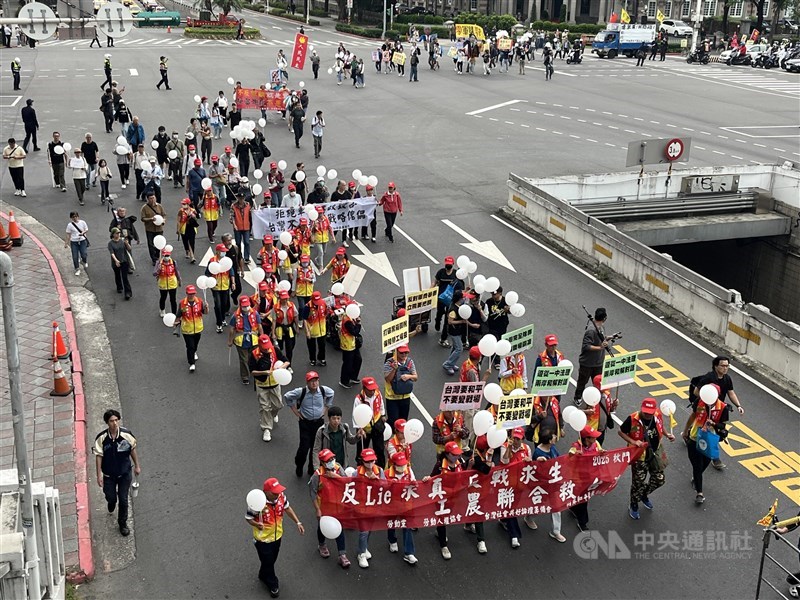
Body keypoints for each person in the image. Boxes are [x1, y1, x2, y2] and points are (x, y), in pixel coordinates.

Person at [245, 477, 304, 598]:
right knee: (268, 561)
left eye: (278, 491)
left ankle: (263, 574)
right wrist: (257, 524)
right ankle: (273, 584)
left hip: (277, 537)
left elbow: (287, 508)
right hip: (262, 540)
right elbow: (248, 518)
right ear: (266, 492)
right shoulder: (257, 503)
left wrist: (298, 522)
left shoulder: (281, 497)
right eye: (274, 492)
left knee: (271, 560)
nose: (277, 494)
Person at [619, 398, 674, 520]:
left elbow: (661, 426)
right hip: (639, 456)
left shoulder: (658, 414)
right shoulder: (632, 419)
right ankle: (634, 504)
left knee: (659, 480)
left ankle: (643, 495)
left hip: (655, 452)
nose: (648, 415)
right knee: (637, 483)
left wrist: (667, 434)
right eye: (646, 412)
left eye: (650, 412)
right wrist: (633, 441)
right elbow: (621, 432)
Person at [93, 409, 141, 537]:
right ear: (107, 423)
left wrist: (137, 466)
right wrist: (98, 475)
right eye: (111, 421)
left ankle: (122, 523)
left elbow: (133, 450)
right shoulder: (102, 438)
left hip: (124, 473)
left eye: (116, 420)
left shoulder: (126, 435)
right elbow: (98, 456)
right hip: (109, 475)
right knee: (111, 496)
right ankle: (111, 502)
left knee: (124, 500)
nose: (114, 423)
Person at [692, 355, 745, 470]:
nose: (725, 368)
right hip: (704, 407)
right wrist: (706, 400)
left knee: (716, 431)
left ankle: (714, 457)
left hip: (718, 410)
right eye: (722, 366)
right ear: (716, 366)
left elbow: (731, 393)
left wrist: (738, 406)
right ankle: (687, 435)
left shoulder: (727, 379)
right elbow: (696, 391)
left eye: (727, 366)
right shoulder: (708, 378)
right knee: (696, 423)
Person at [682, 384, 730, 505]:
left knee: (705, 462)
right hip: (694, 437)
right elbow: (693, 416)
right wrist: (686, 430)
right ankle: (699, 493)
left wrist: (713, 423)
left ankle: (696, 477)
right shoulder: (699, 401)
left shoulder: (723, 408)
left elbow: (722, 426)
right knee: (697, 465)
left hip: (709, 440)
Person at [286, 372, 335, 477]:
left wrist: (326, 408)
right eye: (312, 381)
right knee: (304, 447)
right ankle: (299, 465)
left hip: (318, 422)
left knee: (316, 447)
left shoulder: (322, 390)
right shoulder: (301, 392)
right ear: (307, 382)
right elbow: (287, 396)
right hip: (305, 423)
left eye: (316, 381)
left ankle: (311, 468)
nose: (314, 383)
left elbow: (331, 394)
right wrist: (295, 411)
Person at [308, 449, 350, 567]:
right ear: (322, 462)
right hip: (325, 507)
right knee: (322, 527)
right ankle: (322, 544)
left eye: (332, 458)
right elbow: (313, 493)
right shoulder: (317, 475)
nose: (332, 461)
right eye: (328, 460)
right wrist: (318, 509)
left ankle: (342, 555)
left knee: (339, 529)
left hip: (338, 505)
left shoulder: (338, 468)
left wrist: (335, 476)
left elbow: (347, 482)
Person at [524, 428, 566, 542]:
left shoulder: (552, 448)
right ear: (548, 440)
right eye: (553, 436)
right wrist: (539, 461)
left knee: (556, 507)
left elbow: (558, 459)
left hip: (553, 483)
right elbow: (536, 467)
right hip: (542, 485)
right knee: (538, 505)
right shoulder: (539, 452)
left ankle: (555, 531)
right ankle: (529, 517)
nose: (555, 437)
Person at [250, 334, 290, 441]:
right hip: (261, 385)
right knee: (264, 407)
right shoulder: (254, 354)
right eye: (264, 346)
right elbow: (252, 372)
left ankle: (272, 415)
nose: (267, 348)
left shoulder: (275, 350)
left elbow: (287, 361)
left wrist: (280, 368)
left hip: (275, 383)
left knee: (278, 405)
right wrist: (264, 372)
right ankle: (266, 428)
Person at [573, 307, 614, 404]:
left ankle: (597, 397)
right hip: (587, 363)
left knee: (598, 382)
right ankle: (578, 397)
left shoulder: (601, 327)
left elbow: (602, 338)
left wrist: (610, 337)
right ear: (605, 318)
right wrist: (600, 348)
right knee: (582, 382)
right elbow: (586, 346)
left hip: (598, 362)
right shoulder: (591, 330)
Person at [567, 426, 605, 531]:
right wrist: (575, 455)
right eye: (593, 437)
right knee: (584, 500)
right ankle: (582, 523)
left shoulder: (596, 444)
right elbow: (568, 458)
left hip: (590, 477)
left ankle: (573, 508)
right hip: (578, 479)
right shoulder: (576, 447)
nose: (595, 439)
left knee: (580, 499)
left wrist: (602, 453)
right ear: (586, 439)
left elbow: (600, 453)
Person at [385, 452, 418, 564]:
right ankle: (392, 540)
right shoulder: (386, 474)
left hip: (406, 504)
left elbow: (414, 483)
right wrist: (389, 485)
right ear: (393, 464)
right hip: (392, 505)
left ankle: (409, 553)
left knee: (407, 526)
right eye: (399, 465)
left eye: (404, 464)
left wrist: (415, 484)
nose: (402, 467)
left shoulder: (409, 471)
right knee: (391, 523)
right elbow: (380, 489)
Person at [356, 448, 385, 568]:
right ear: (362, 461)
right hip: (362, 506)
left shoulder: (379, 470)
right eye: (367, 461)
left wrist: (376, 479)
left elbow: (386, 485)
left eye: (372, 461)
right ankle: (361, 553)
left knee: (370, 529)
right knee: (364, 530)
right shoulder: (357, 472)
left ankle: (365, 547)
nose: (370, 464)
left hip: (374, 505)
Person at [351, 377, 386, 465]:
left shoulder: (378, 393)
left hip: (377, 425)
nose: (372, 392)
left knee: (379, 449)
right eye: (370, 390)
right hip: (364, 428)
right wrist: (359, 429)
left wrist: (383, 415)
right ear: (364, 388)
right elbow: (355, 415)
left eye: (373, 389)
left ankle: (380, 468)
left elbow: (381, 404)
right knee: (362, 450)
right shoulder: (358, 399)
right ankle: (361, 468)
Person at [228, 296, 262, 385]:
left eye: (247, 305)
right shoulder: (235, 316)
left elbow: (259, 326)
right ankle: (245, 376)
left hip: (254, 339)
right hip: (241, 340)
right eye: (244, 306)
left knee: (254, 357)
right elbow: (232, 328)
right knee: (244, 359)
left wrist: (262, 337)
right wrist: (230, 340)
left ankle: (255, 372)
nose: (246, 308)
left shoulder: (255, 313)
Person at [175, 284, 207, 372]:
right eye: (190, 293)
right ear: (186, 293)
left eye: (193, 293)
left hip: (198, 328)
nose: (191, 295)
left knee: (195, 344)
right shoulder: (182, 303)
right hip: (187, 329)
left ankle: (194, 352)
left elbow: (205, 312)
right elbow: (179, 315)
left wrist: (206, 307)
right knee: (190, 346)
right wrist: (176, 322)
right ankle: (191, 363)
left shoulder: (199, 301)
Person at [383, 345, 417, 426]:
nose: (404, 354)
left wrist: (408, 376)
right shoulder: (389, 363)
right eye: (401, 352)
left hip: (405, 397)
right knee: (393, 420)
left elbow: (415, 377)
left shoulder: (409, 362)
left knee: (403, 421)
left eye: (406, 352)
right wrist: (394, 369)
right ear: (396, 352)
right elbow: (387, 379)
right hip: (392, 397)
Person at [579, 374, 617, 445]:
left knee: (598, 448)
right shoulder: (588, 396)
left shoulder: (607, 394)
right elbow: (578, 412)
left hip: (601, 430)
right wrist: (586, 412)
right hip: (590, 431)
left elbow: (609, 410)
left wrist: (613, 405)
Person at [434, 256, 463, 346]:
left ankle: (444, 336)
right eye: (447, 264)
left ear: (453, 264)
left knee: (447, 318)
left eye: (450, 265)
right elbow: (435, 282)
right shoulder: (441, 272)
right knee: (440, 312)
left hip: (451, 300)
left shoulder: (456, 274)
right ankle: (437, 321)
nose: (448, 266)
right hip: (441, 298)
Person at [442, 290, 469, 374]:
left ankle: (452, 363)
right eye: (462, 298)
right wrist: (461, 321)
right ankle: (448, 364)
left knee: (455, 347)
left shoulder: (457, 306)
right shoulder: (453, 309)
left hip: (458, 330)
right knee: (459, 348)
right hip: (454, 331)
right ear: (459, 299)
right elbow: (450, 322)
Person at [302, 291, 329, 367]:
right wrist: (307, 331)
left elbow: (326, 313)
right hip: (312, 330)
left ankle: (321, 358)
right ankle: (312, 359)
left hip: (322, 329)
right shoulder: (308, 306)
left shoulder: (323, 303)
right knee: (311, 346)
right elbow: (304, 319)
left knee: (322, 345)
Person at [338, 306, 362, 388]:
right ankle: (344, 381)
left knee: (358, 359)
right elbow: (354, 332)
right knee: (348, 363)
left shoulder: (349, 317)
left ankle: (353, 376)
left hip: (353, 343)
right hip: (347, 345)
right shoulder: (347, 321)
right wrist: (358, 324)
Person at [140, 191, 166, 265]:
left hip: (159, 228)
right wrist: (151, 219)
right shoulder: (144, 208)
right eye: (150, 198)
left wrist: (163, 221)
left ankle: (158, 256)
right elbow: (142, 218)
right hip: (150, 229)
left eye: (153, 198)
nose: (152, 200)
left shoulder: (159, 206)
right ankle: (154, 259)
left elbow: (164, 215)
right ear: (148, 199)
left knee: (159, 243)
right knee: (151, 244)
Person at [485, 288, 509, 365]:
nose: (493, 296)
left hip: (502, 325)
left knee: (500, 340)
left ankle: (495, 355)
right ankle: (496, 360)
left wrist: (507, 310)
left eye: (494, 294)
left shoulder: (506, 301)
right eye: (492, 294)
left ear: (500, 293)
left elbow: (511, 311)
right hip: (492, 325)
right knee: (495, 341)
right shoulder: (489, 301)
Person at [153, 249, 181, 317]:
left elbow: (177, 271)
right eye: (165, 255)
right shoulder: (159, 262)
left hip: (172, 284)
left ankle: (174, 313)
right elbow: (154, 273)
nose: (166, 257)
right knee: (163, 298)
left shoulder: (174, 262)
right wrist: (158, 270)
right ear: (162, 255)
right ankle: (162, 310)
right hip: (163, 285)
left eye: (168, 255)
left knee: (173, 299)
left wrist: (179, 280)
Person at [273, 290, 298, 361]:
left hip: (289, 328)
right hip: (279, 328)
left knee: (290, 348)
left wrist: (297, 327)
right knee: (278, 348)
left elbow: (295, 316)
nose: (285, 300)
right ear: (280, 298)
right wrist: (273, 333)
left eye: (286, 298)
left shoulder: (292, 305)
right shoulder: (275, 307)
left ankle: (288, 364)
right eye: (283, 298)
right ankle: (279, 363)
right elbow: (274, 321)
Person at [108, 228, 132, 299]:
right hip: (116, 262)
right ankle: (119, 287)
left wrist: (127, 243)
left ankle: (128, 293)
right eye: (116, 233)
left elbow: (129, 249)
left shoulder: (122, 241)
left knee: (125, 277)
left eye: (119, 233)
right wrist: (116, 260)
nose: (118, 234)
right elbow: (112, 253)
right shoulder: (110, 243)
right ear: (113, 234)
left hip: (124, 261)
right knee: (117, 275)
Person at [64, 212, 89, 276]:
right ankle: (77, 269)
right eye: (73, 217)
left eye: (76, 216)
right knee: (75, 256)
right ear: (71, 218)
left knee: (84, 253)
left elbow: (86, 229)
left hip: (82, 240)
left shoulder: (82, 222)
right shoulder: (70, 225)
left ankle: (84, 260)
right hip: (74, 242)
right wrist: (66, 243)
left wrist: (82, 233)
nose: (75, 218)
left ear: (78, 216)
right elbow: (68, 234)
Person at [176, 199, 198, 263]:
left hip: (191, 227)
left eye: (184, 204)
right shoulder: (181, 211)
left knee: (191, 241)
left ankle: (192, 256)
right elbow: (178, 220)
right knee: (185, 241)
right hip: (183, 228)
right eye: (182, 204)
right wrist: (178, 229)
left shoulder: (193, 210)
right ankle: (187, 250)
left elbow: (196, 219)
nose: (183, 205)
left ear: (188, 204)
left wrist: (193, 216)